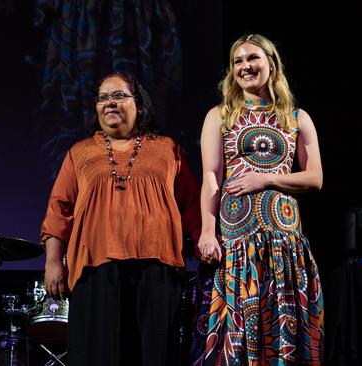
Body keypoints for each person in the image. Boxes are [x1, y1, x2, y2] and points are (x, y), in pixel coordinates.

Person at [40, 71, 201, 366]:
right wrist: (53, 262)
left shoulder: (168, 149)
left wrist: (204, 239)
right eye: (102, 98)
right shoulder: (80, 152)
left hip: (158, 266)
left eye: (118, 96)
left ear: (138, 104)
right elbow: (58, 209)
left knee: (155, 355)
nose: (109, 104)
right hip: (95, 270)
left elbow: (191, 203)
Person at [194, 34, 324, 365]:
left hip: (283, 241)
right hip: (238, 241)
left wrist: (266, 178)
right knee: (239, 331)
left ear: (271, 63)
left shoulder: (296, 117)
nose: (245, 66)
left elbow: (314, 178)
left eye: (252, 58)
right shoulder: (219, 116)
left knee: (281, 333)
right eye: (237, 61)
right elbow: (211, 176)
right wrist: (207, 232)